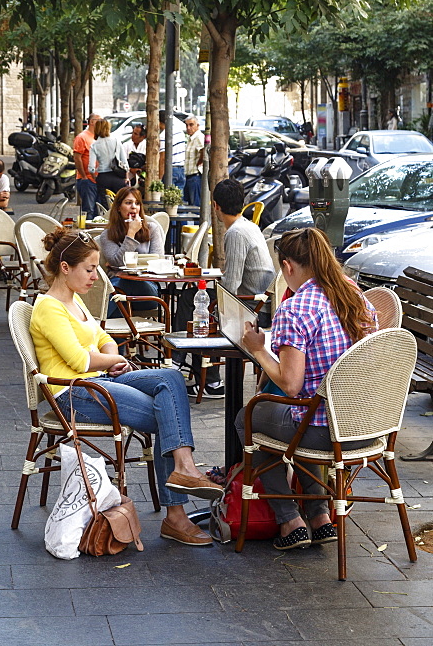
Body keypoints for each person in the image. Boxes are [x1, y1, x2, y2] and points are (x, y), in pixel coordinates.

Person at [30, 228, 224, 545]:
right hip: (72, 393)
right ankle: (177, 512)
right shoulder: (49, 307)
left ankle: (184, 469)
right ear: (65, 267)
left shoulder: (74, 301)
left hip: (96, 382)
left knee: (171, 378)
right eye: (90, 269)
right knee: (168, 414)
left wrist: (109, 357)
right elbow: (79, 360)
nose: (96, 276)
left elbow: (105, 340)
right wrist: (109, 361)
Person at [236, 227, 378, 550]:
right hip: (368, 426)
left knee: (248, 416)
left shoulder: (295, 308)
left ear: (287, 267)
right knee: (306, 410)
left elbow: (290, 384)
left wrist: (258, 350)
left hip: (326, 432)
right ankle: (319, 516)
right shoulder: (355, 296)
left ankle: (290, 519)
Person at [99, 186, 165, 317]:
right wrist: (131, 234)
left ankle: (95, 323)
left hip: (147, 289)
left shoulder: (152, 229)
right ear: (118, 207)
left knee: (120, 286)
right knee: (119, 294)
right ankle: (121, 336)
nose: (134, 207)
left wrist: (131, 233)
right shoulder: (107, 234)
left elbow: (158, 261)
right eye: (128, 203)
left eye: (137, 203)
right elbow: (116, 261)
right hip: (119, 289)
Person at [213, 178, 275, 308]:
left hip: (254, 307)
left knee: (189, 297)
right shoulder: (249, 225)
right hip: (262, 302)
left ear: (216, 205)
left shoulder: (236, 233)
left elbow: (231, 285)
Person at [88, 119, 129, 209]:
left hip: (103, 177)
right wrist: (126, 177)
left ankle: (108, 221)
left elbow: (91, 168)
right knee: (121, 203)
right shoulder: (116, 141)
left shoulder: (94, 145)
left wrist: (95, 178)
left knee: (106, 205)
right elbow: (124, 162)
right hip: (118, 176)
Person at [73, 112, 100, 219]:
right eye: (99, 120)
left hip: (97, 179)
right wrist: (84, 176)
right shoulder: (82, 137)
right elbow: (77, 157)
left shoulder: (98, 137)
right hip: (87, 179)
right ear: (92, 122)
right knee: (88, 209)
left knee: (97, 210)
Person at [158, 111, 186, 191]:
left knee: (168, 199)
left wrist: (159, 178)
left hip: (170, 170)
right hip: (181, 169)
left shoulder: (164, 135)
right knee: (178, 199)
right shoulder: (180, 132)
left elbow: (163, 158)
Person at [183, 116, 204, 206]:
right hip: (189, 176)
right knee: (190, 204)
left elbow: (204, 151)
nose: (188, 128)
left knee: (196, 206)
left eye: (191, 125)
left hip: (195, 176)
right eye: (186, 125)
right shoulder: (190, 138)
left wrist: (199, 163)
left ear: (197, 125)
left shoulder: (198, 137)